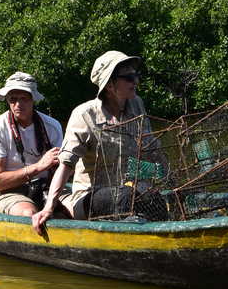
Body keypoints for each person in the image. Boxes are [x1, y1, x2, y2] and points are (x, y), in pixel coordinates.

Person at [33, 51, 149, 233]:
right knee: (125, 197)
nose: (135, 81)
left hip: (129, 189)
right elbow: (65, 165)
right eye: (128, 77)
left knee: (153, 199)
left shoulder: (137, 105)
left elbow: (151, 148)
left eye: (136, 75)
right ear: (110, 85)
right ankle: (65, 205)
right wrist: (48, 208)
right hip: (90, 196)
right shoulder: (84, 115)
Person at [0, 72, 64, 218]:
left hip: (48, 187)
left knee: (79, 208)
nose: (18, 104)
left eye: (24, 99)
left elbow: (62, 169)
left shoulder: (52, 126)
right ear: (7, 100)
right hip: (10, 191)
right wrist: (38, 166)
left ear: (33, 100)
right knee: (28, 214)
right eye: (13, 99)